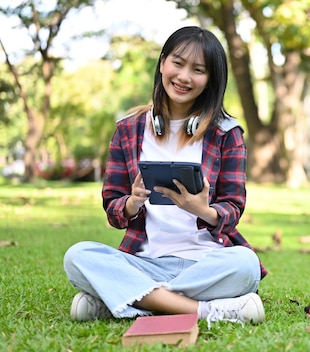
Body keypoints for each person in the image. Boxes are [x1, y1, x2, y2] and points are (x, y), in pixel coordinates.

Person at [63, 26, 266, 326]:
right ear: (162, 63)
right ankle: (205, 310)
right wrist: (131, 203)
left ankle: (124, 300)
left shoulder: (227, 133)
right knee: (77, 256)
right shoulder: (128, 130)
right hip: (144, 262)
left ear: (210, 80)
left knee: (246, 264)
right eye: (178, 63)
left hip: (207, 263)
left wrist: (203, 211)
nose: (184, 77)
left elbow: (233, 208)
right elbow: (113, 210)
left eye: (198, 70)